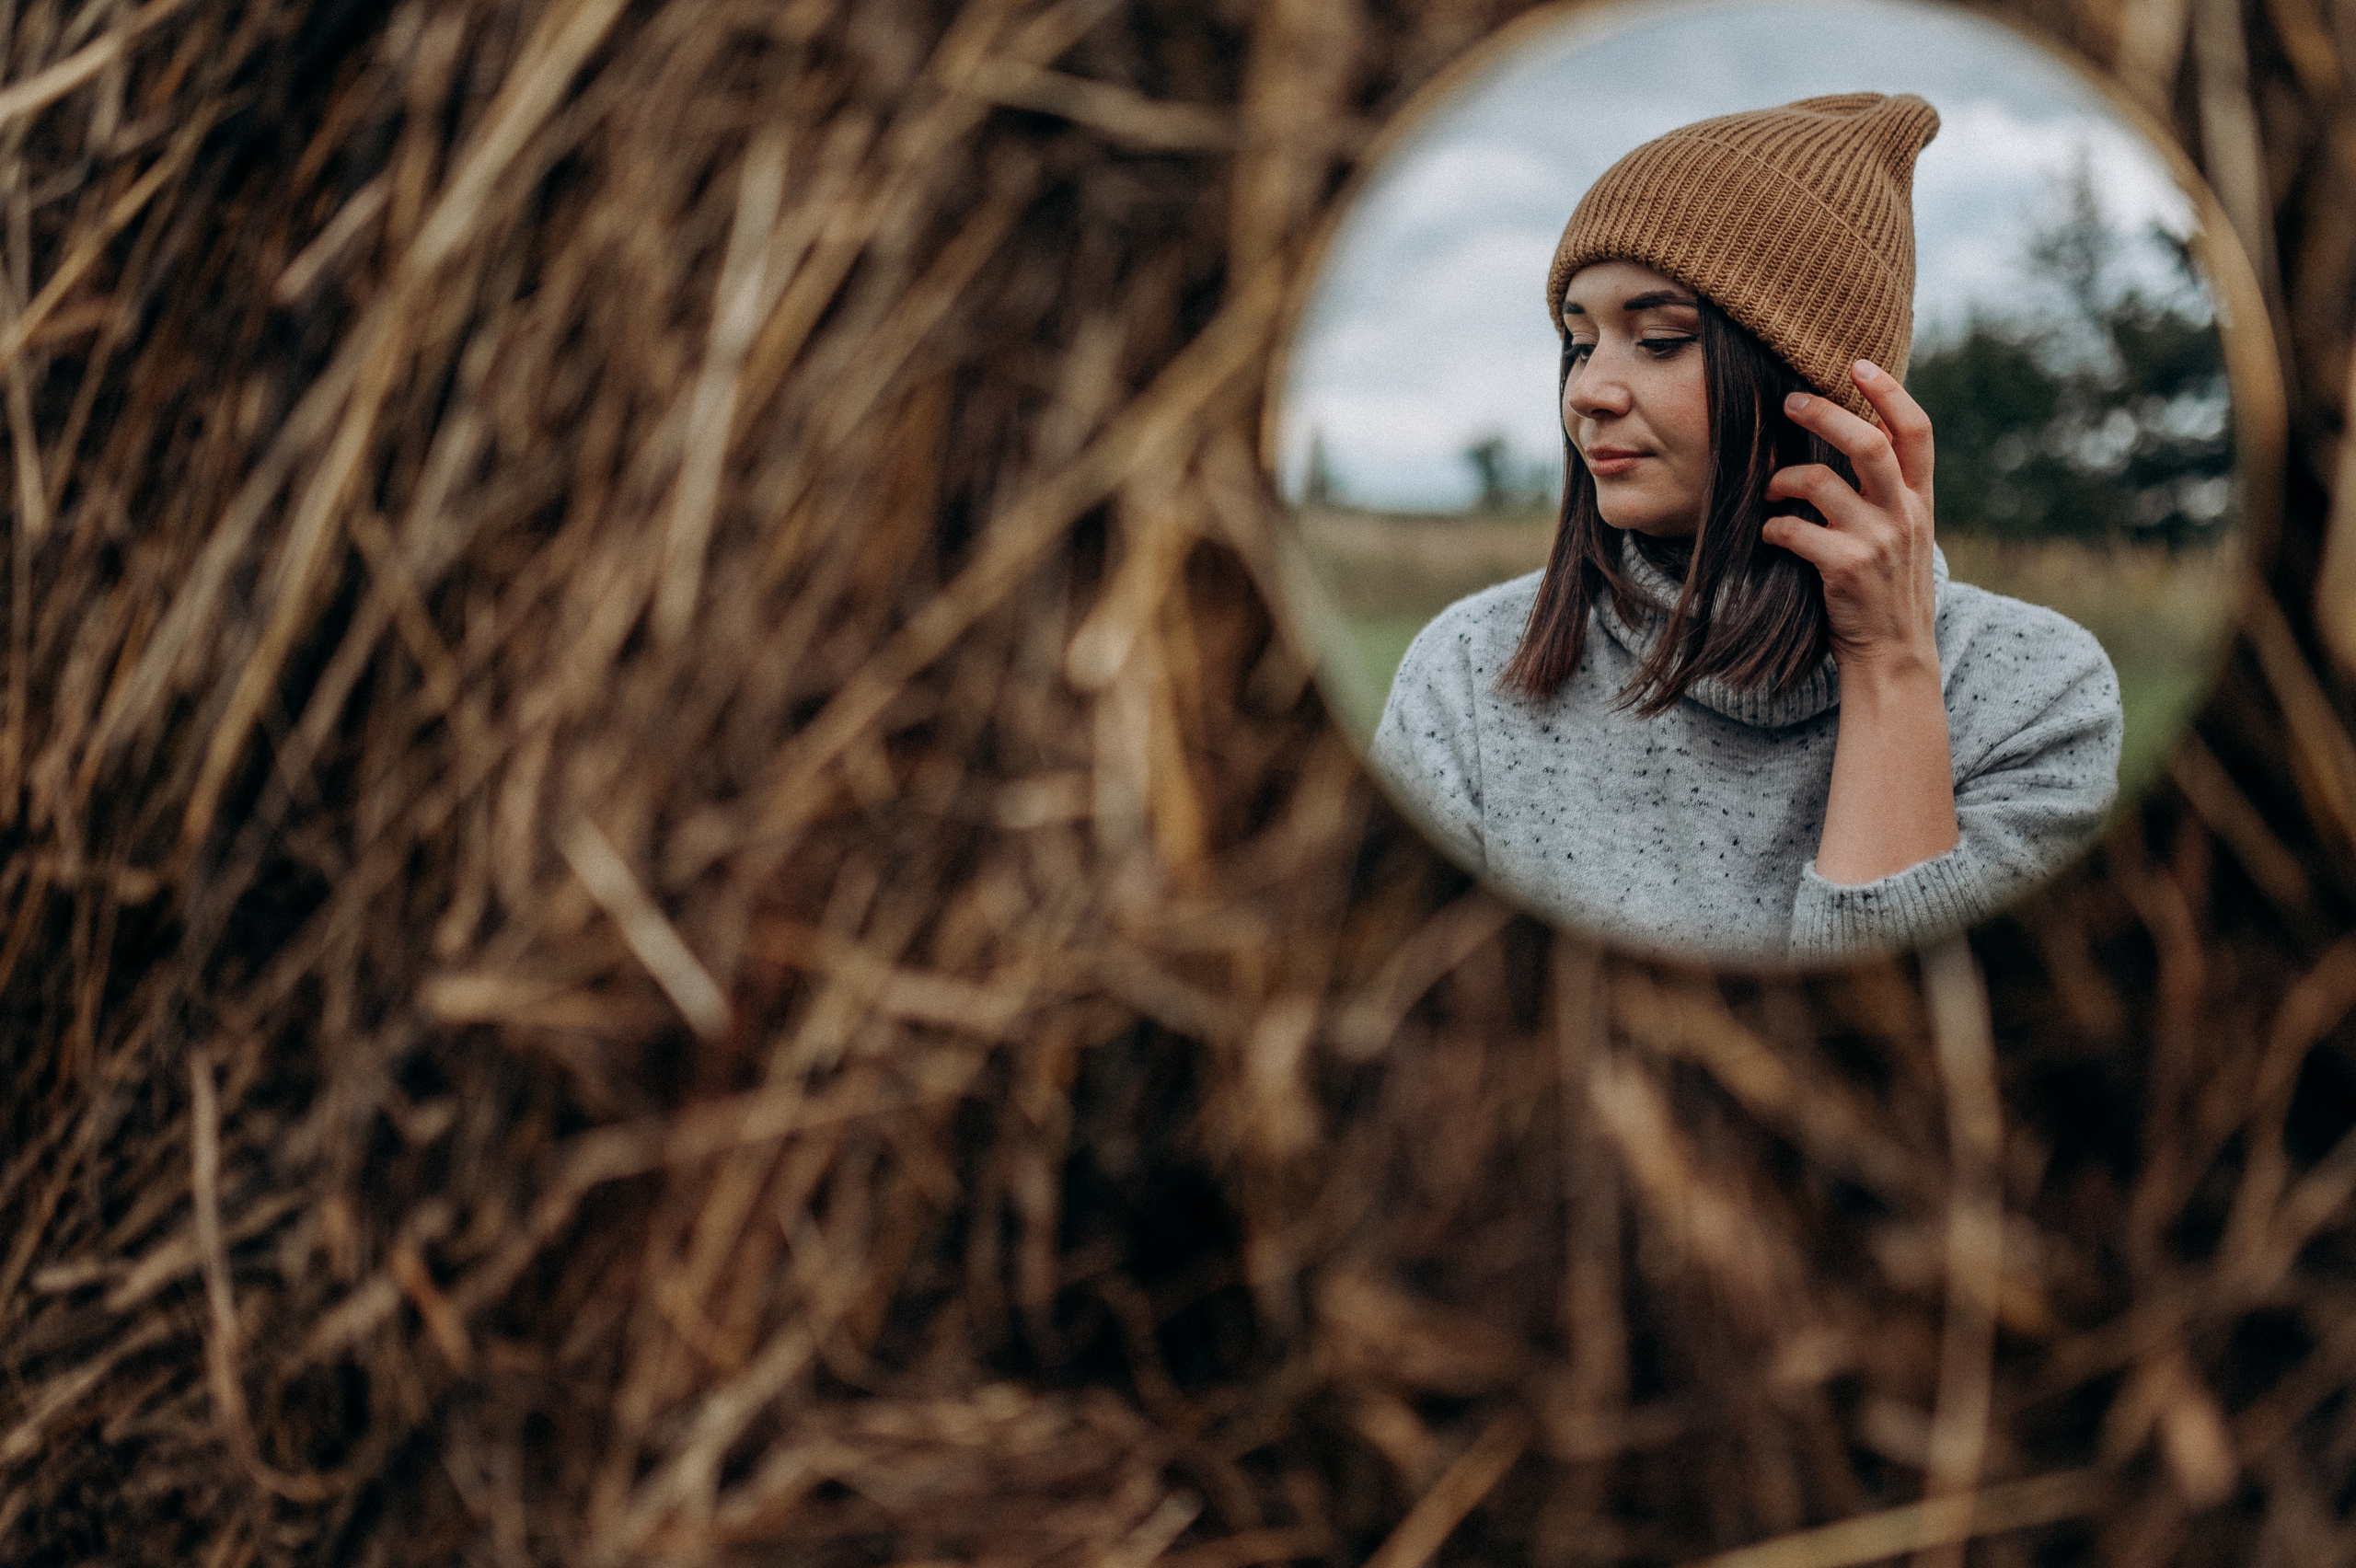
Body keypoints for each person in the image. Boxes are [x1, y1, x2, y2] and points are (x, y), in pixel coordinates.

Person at [1368, 93, 2122, 963]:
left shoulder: (2034, 695)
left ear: (1823, 390)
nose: (1588, 392)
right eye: (1580, 343)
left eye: (1659, 338)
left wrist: (1891, 667)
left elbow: (1911, 1047)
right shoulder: (1468, 674)